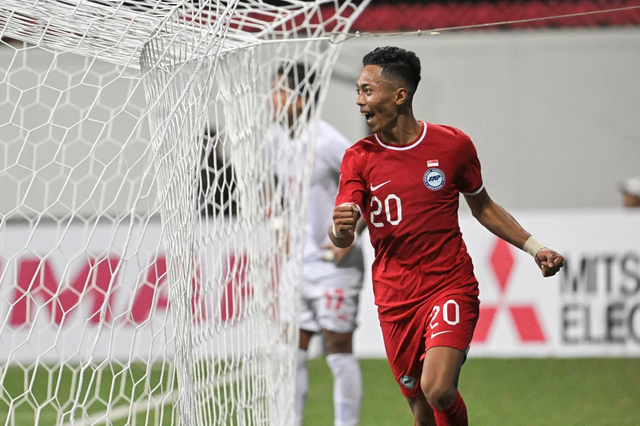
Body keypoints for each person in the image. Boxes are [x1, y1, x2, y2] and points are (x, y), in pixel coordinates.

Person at [329, 46, 565, 426]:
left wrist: (535, 248)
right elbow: (343, 234)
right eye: (358, 91)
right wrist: (340, 230)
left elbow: (483, 206)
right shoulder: (358, 157)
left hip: (448, 285)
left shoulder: (453, 145)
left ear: (400, 95)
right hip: (395, 300)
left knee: (438, 389)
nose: (359, 101)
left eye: (367, 90)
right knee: (423, 412)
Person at [270, 63, 366, 426]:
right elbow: (277, 190)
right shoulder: (275, 141)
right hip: (297, 263)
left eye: (280, 90)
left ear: (300, 98)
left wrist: (353, 235)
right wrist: (279, 223)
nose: (273, 99)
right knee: (291, 349)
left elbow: (370, 186)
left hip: (333, 266)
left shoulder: (328, 141)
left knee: (338, 349)